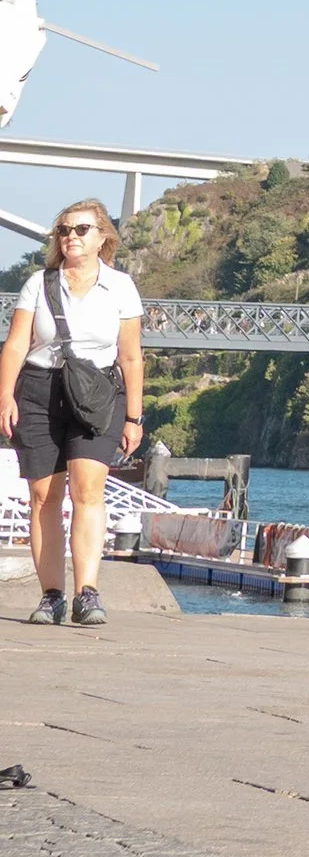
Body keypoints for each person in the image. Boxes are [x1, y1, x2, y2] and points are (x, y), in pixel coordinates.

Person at [0, 198, 146, 627]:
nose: (71, 237)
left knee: (88, 490)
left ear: (103, 236)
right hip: (40, 391)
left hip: (97, 394)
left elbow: (131, 357)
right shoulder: (39, 283)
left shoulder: (120, 286)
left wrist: (134, 417)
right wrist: (5, 396)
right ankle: (51, 595)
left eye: (81, 229)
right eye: (64, 230)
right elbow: (15, 345)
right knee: (43, 496)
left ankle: (87, 592)